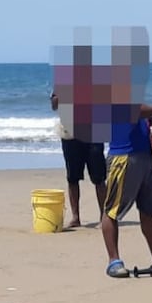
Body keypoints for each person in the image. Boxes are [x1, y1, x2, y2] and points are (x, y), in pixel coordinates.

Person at [100, 104, 152, 278]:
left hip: (144, 155)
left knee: (148, 210)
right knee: (112, 210)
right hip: (123, 156)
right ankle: (114, 261)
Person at [50, 90, 107, 227]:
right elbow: (54, 106)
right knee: (72, 178)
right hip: (70, 135)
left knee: (99, 177)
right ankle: (75, 217)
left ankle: (104, 216)